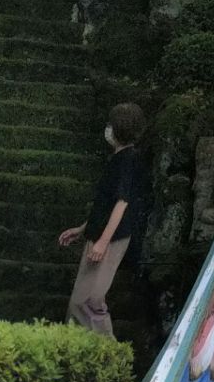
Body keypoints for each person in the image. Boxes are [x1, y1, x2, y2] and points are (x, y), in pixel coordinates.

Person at [59, 100, 149, 335]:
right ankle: (77, 345)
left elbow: (121, 203)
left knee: (90, 300)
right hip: (99, 232)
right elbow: (105, 205)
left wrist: (102, 242)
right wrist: (82, 229)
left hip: (111, 237)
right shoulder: (119, 159)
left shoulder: (127, 161)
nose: (107, 129)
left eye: (111, 124)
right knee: (80, 300)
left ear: (119, 129)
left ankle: (107, 350)